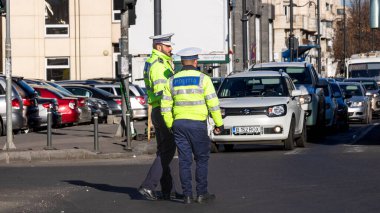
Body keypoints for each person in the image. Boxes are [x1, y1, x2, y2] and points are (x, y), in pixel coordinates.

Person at [161, 47, 224, 204]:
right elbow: (213, 104)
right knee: (201, 159)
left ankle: (187, 195)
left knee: (184, 160)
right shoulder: (203, 79)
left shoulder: (172, 80)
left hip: (179, 124)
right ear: (195, 62)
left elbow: (165, 106)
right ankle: (202, 193)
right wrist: (219, 123)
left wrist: (171, 124)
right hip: (197, 124)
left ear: (182, 63)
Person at [138, 33, 178, 201]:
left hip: (158, 109)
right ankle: (148, 186)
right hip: (163, 110)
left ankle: (168, 190)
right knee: (167, 151)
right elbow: (162, 92)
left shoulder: (157, 62)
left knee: (164, 151)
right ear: (159, 46)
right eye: (168, 46)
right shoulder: (158, 65)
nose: (171, 49)